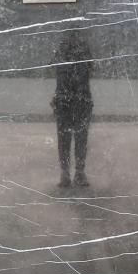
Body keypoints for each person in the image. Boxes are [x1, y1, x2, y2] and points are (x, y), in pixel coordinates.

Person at [51, 32, 94, 188]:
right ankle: (77, 173)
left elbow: (55, 70)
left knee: (66, 140)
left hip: (67, 102)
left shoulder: (62, 53)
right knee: (79, 139)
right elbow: (90, 70)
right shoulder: (83, 53)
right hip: (78, 102)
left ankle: (68, 173)